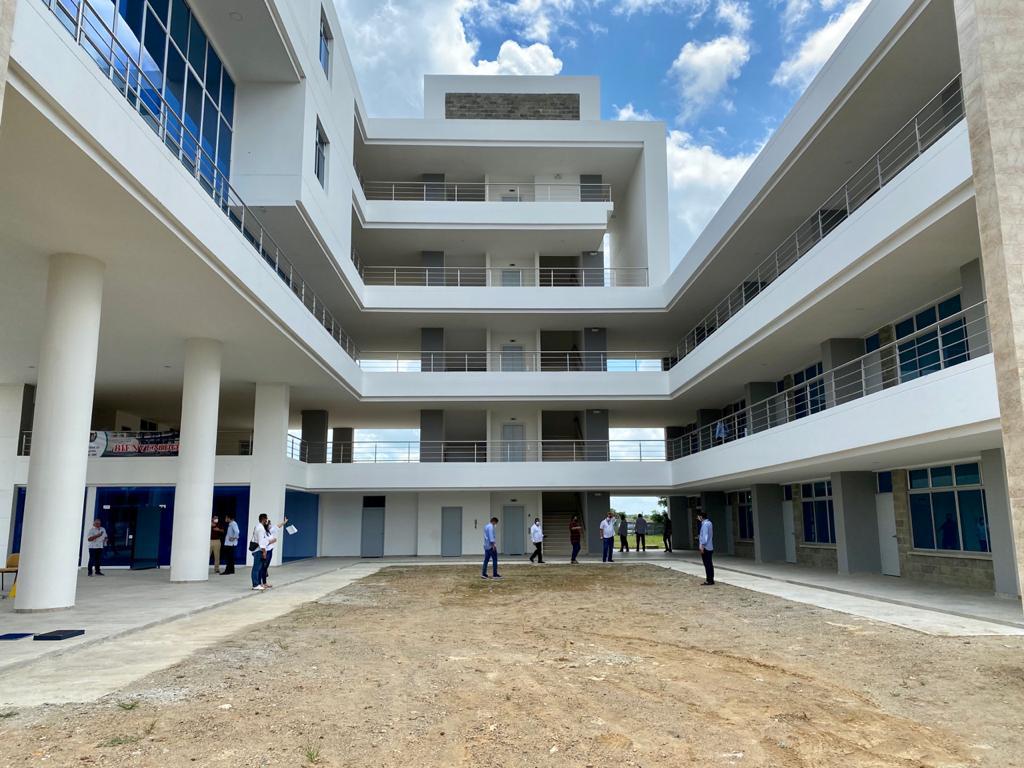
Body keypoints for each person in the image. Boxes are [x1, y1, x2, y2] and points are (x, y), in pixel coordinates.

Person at [260, 516, 287, 588]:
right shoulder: (263, 533)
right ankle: (262, 583)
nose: (271, 526)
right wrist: (272, 541)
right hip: (266, 551)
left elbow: (277, 526)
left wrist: (284, 522)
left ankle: (264, 582)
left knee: (266, 567)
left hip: (270, 551)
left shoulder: (269, 532)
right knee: (264, 567)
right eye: (269, 525)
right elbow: (263, 543)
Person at [250, 514, 269, 591]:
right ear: (263, 519)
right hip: (258, 550)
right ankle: (255, 584)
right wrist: (264, 552)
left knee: (257, 568)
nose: (267, 521)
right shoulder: (261, 528)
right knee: (256, 568)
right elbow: (261, 542)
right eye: (266, 519)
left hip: (257, 550)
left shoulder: (257, 526)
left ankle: (257, 583)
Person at [697, 511, 714, 585]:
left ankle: (709, 580)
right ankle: (710, 579)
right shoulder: (709, 523)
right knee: (709, 564)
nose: (698, 518)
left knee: (707, 564)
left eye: (698, 517)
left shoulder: (705, 525)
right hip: (710, 546)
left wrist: (702, 546)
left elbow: (705, 536)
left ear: (701, 517)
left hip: (706, 547)